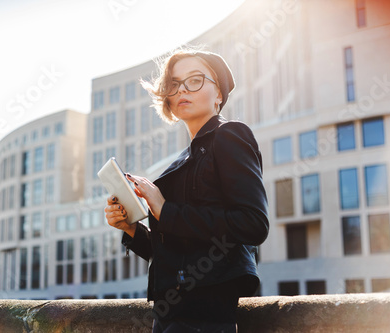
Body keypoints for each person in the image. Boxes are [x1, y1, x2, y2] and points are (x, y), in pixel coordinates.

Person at [105, 47, 269, 333]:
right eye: (174, 84)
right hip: (171, 312)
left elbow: (253, 224)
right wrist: (131, 228)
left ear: (219, 94)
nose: (182, 90)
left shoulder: (230, 135)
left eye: (195, 80)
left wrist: (164, 208)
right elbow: (175, 249)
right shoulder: (184, 158)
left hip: (206, 314)